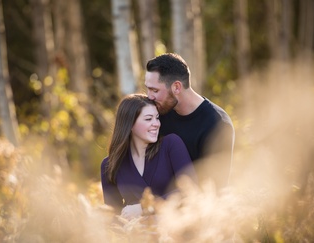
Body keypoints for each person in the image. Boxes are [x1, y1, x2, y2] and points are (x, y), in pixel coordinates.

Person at [145, 53, 235, 190]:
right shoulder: (157, 113)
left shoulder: (218, 124)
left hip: (192, 206)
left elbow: (215, 188)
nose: (149, 96)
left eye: (154, 90)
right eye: (148, 88)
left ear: (176, 87)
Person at [100, 94, 196, 219]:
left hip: (174, 233)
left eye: (157, 118)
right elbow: (113, 216)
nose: (156, 124)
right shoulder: (110, 165)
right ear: (130, 124)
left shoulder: (171, 145)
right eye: (148, 119)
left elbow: (190, 190)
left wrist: (145, 207)